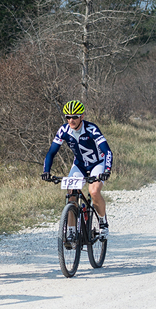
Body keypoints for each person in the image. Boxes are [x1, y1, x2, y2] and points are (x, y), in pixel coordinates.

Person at [42, 100, 113, 239]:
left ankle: (103, 222)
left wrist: (107, 170)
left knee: (94, 191)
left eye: (74, 117)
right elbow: (51, 152)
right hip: (79, 165)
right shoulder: (64, 130)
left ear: (82, 116)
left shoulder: (91, 129)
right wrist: (46, 171)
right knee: (71, 194)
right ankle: (71, 231)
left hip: (97, 163)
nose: (71, 120)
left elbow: (107, 151)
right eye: (68, 117)